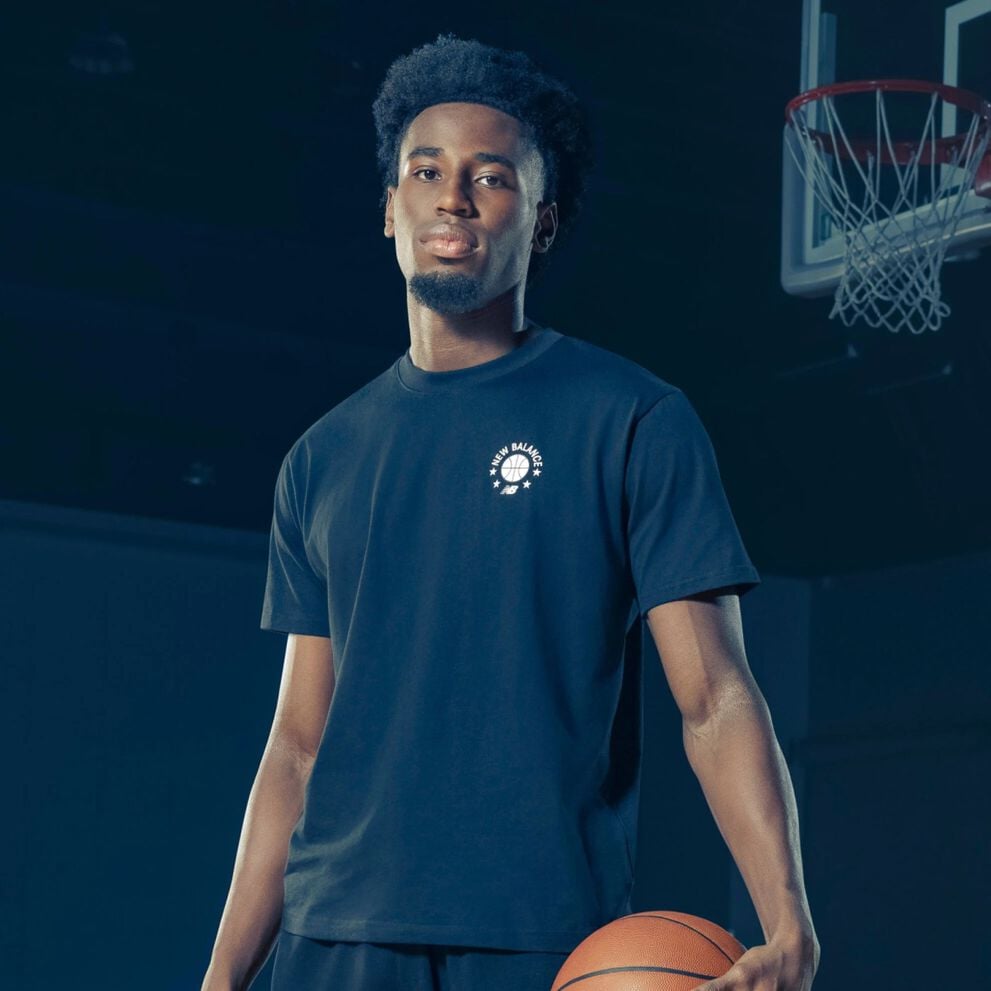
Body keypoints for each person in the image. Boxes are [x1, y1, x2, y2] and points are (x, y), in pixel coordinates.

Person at [201, 32, 820, 991]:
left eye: (491, 176)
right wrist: (221, 974)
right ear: (389, 209)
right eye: (425, 170)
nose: (453, 195)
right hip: (334, 935)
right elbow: (298, 742)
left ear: (541, 220)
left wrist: (787, 921)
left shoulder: (632, 418)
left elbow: (714, 698)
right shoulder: (320, 457)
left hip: (543, 932)